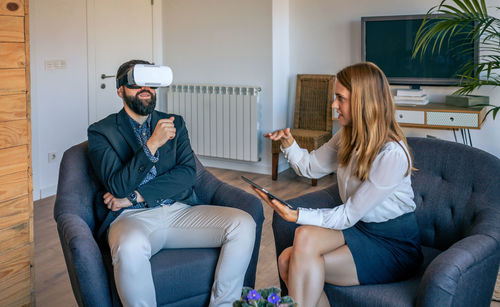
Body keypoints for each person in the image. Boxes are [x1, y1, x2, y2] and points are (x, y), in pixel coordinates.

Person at [87, 59, 256, 307]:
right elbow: (118, 186)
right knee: (129, 246)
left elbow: (187, 174)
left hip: (179, 212)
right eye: (135, 82)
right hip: (131, 219)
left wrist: (136, 195)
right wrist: (152, 144)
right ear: (120, 90)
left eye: (150, 83)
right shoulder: (101, 132)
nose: (145, 88)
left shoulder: (174, 122)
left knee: (243, 224)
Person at [256, 62, 423, 307]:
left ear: (363, 102)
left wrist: (296, 214)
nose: (334, 105)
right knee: (290, 253)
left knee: (290, 262)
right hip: (361, 227)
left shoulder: (391, 154)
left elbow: (347, 215)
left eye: (340, 98)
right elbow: (310, 166)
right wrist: (289, 142)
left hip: (393, 245)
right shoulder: (347, 135)